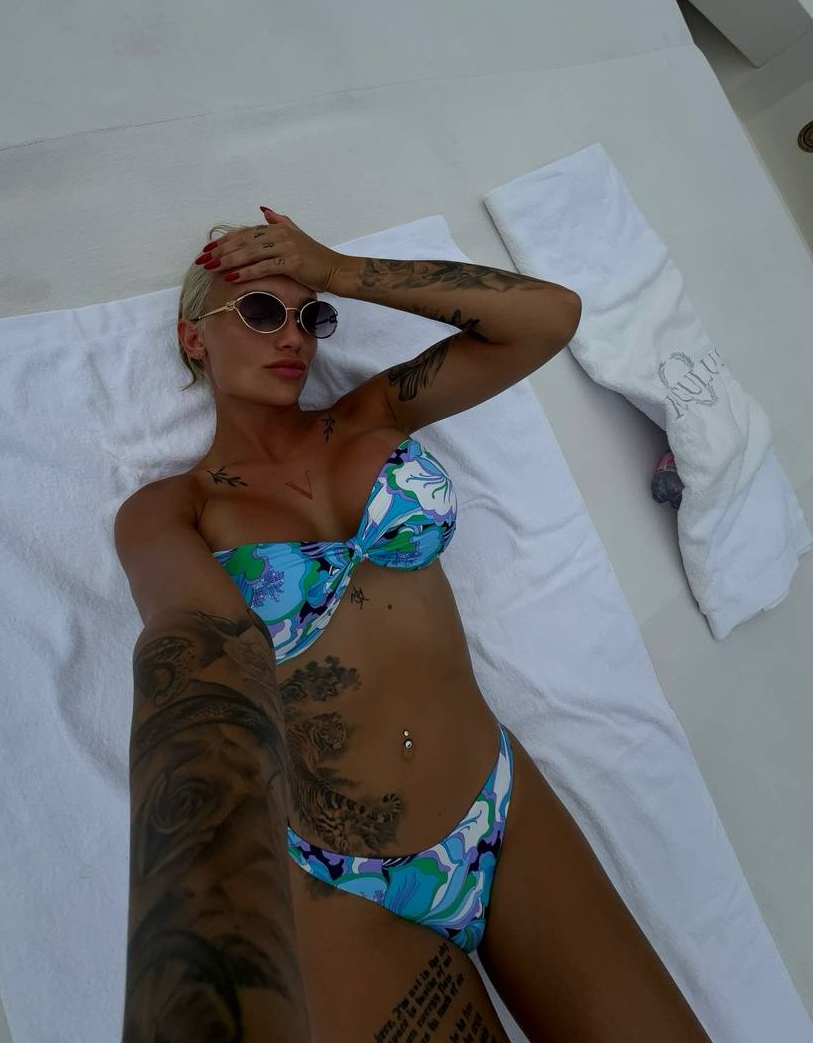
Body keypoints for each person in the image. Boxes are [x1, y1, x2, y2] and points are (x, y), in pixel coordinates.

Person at [122, 206, 713, 1041]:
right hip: (342, 878)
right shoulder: (168, 510)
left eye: (311, 316)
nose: (292, 335)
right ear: (194, 337)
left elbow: (548, 318)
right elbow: (194, 669)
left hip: (500, 807)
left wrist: (337, 271)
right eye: (259, 310)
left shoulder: (373, 417)